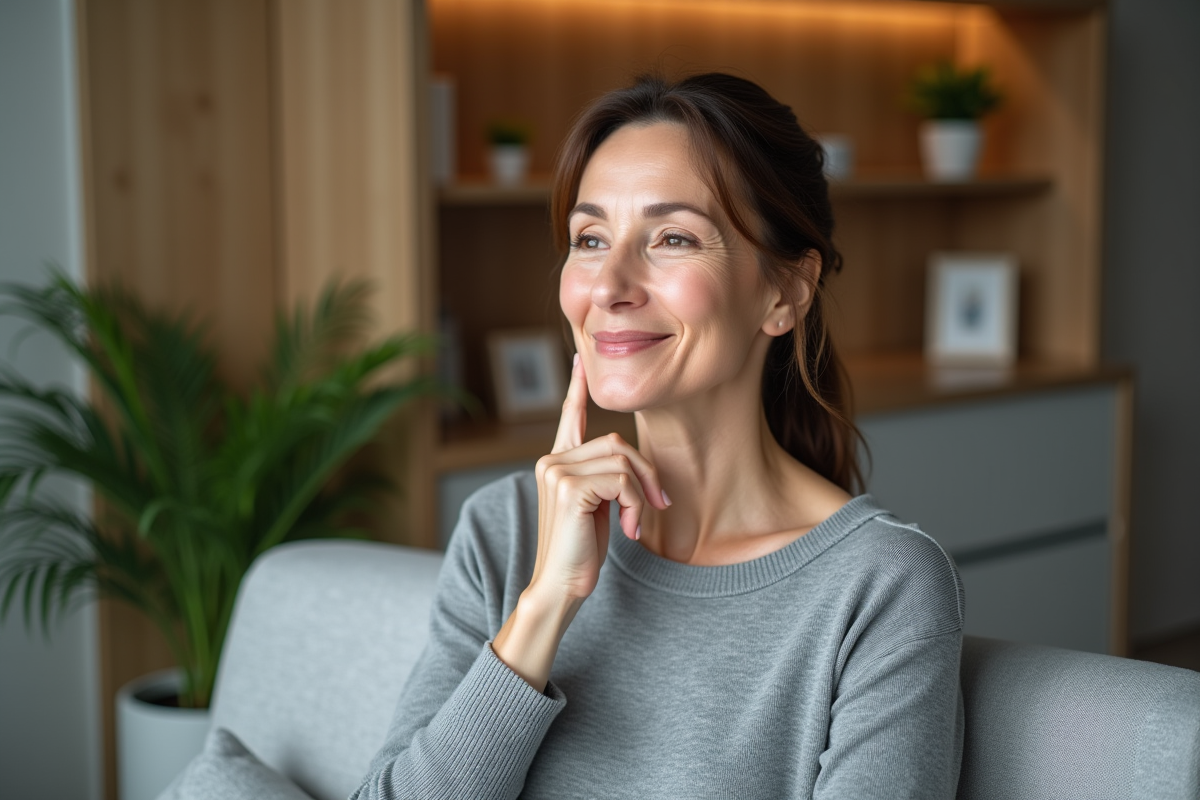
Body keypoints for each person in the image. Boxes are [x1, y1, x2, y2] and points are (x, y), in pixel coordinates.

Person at [353, 73, 964, 800]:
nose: (609, 284)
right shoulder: (507, 532)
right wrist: (546, 603)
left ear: (785, 292)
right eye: (589, 238)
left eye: (672, 237)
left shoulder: (881, 585)